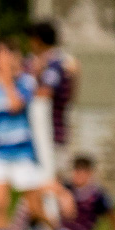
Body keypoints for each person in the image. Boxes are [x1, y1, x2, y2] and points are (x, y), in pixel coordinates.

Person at [0, 41, 53, 230]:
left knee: (35, 208)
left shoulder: (26, 82)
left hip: (22, 153)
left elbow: (15, 105)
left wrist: (6, 79)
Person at [27, 21, 78, 173]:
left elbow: (45, 93)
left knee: (50, 180)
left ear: (37, 40)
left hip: (51, 135)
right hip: (55, 133)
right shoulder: (62, 62)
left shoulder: (54, 65)